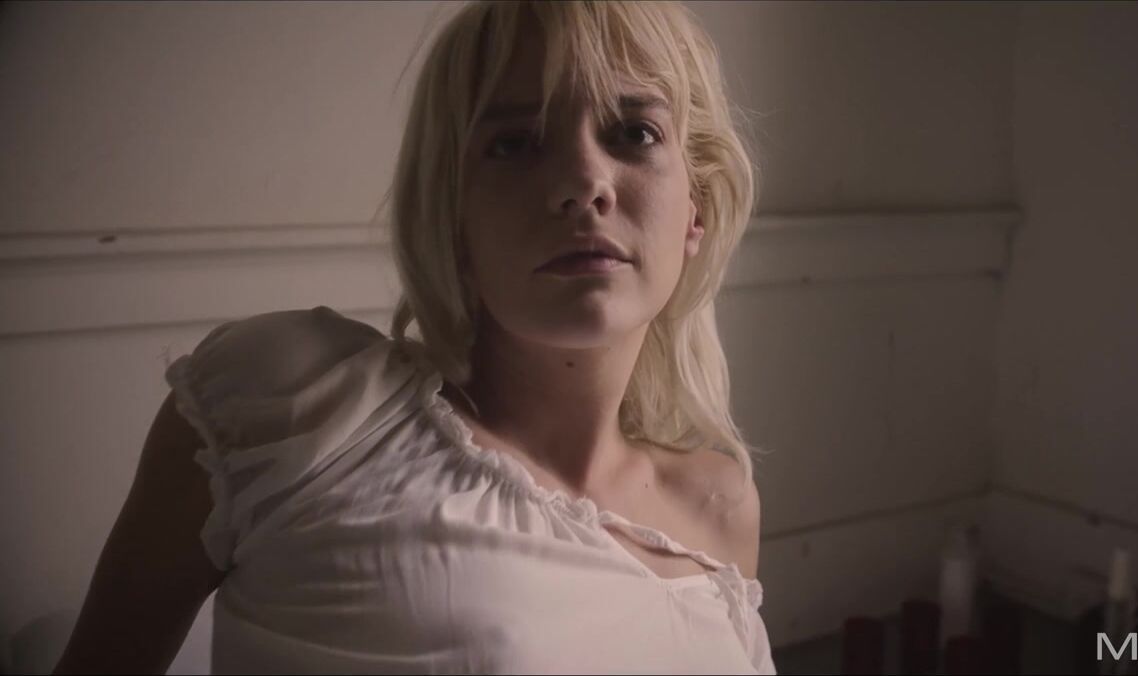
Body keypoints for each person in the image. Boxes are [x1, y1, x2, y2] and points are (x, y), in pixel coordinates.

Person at [54, 1, 774, 673]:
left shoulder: (720, 505)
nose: (584, 182)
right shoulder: (297, 405)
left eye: (635, 133)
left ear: (697, 208)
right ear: (451, 213)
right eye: (515, 143)